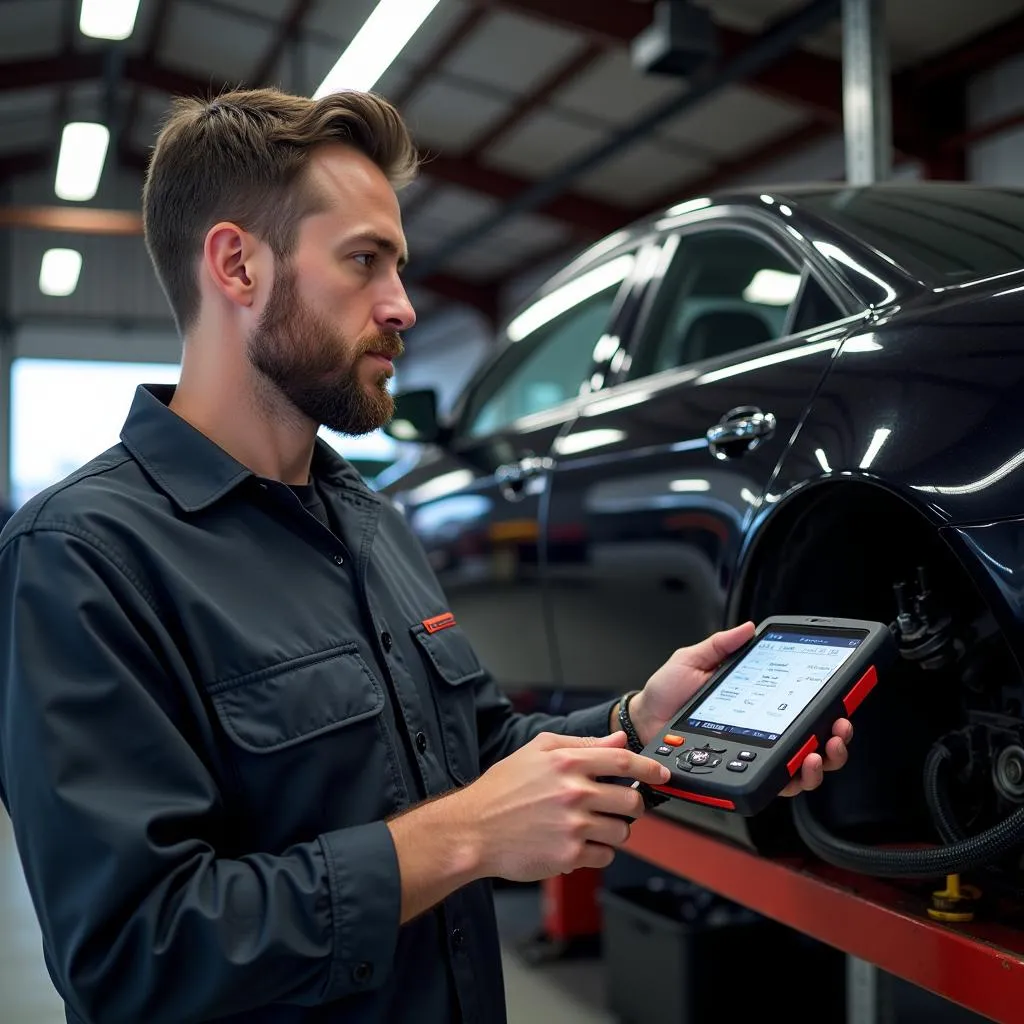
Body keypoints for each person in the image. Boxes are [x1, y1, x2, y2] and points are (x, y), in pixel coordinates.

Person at [0, 88, 853, 1024]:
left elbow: (479, 756)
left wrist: (640, 722)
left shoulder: (368, 521)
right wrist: (460, 841)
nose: (401, 305)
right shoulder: (81, 558)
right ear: (237, 265)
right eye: (364, 261)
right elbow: (133, 956)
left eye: (397, 264)